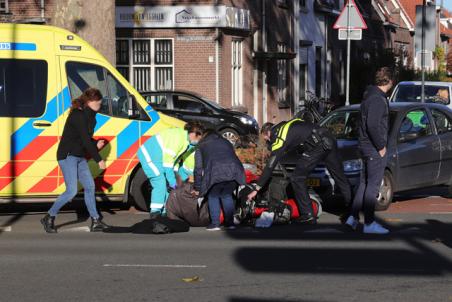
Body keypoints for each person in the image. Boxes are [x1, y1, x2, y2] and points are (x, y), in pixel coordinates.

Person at [247, 119, 352, 224]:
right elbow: (301, 135)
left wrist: (257, 188)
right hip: (328, 138)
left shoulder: (279, 135)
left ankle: (308, 215)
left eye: (266, 139)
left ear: (268, 133)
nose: (267, 142)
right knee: (340, 177)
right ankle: (352, 212)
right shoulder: (288, 124)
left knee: (297, 178)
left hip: (318, 145)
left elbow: (270, 165)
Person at [41, 88, 109, 233]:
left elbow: (84, 137)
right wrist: (98, 159)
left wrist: (95, 143)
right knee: (71, 191)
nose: (100, 105)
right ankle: (49, 216)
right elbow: (84, 139)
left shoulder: (92, 117)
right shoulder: (78, 115)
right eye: (98, 103)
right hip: (68, 155)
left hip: (79, 156)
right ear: (90, 102)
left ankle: (96, 221)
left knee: (90, 186)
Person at [345, 67, 393, 234]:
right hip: (373, 148)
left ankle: (352, 217)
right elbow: (373, 125)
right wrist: (381, 146)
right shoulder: (378, 100)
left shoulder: (369, 96)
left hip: (365, 146)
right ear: (390, 81)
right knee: (372, 186)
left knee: (364, 184)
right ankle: (369, 223)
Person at [137, 122, 204, 217]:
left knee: (168, 185)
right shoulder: (178, 138)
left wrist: (174, 174)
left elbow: (175, 159)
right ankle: (155, 212)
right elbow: (168, 163)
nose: (198, 142)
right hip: (150, 155)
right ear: (193, 134)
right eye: (198, 139)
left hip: (159, 157)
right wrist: (172, 181)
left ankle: (165, 211)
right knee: (159, 182)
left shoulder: (185, 141)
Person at [193, 130, 246, 231]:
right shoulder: (226, 142)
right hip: (234, 172)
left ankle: (215, 223)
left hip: (215, 172)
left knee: (213, 195)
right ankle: (230, 223)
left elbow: (198, 168)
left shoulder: (201, 145)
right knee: (226, 195)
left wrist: (197, 187)